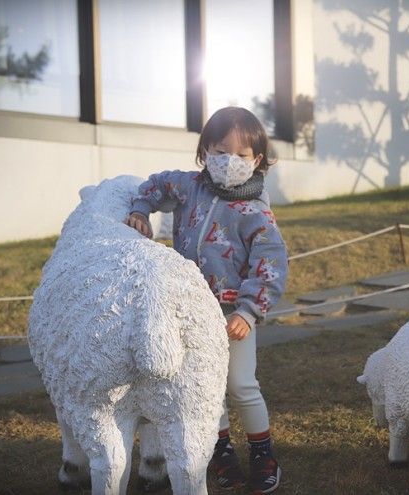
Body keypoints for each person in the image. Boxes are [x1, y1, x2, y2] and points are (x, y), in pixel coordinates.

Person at [125, 106, 288, 494]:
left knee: (241, 384)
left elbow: (271, 266)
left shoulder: (257, 213)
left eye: (240, 154)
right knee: (204, 387)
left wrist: (249, 312)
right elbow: (154, 187)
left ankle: (262, 452)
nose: (228, 161)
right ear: (204, 152)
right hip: (189, 313)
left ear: (257, 159)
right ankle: (221, 452)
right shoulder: (190, 186)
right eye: (219, 151)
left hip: (234, 317)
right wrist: (139, 211)